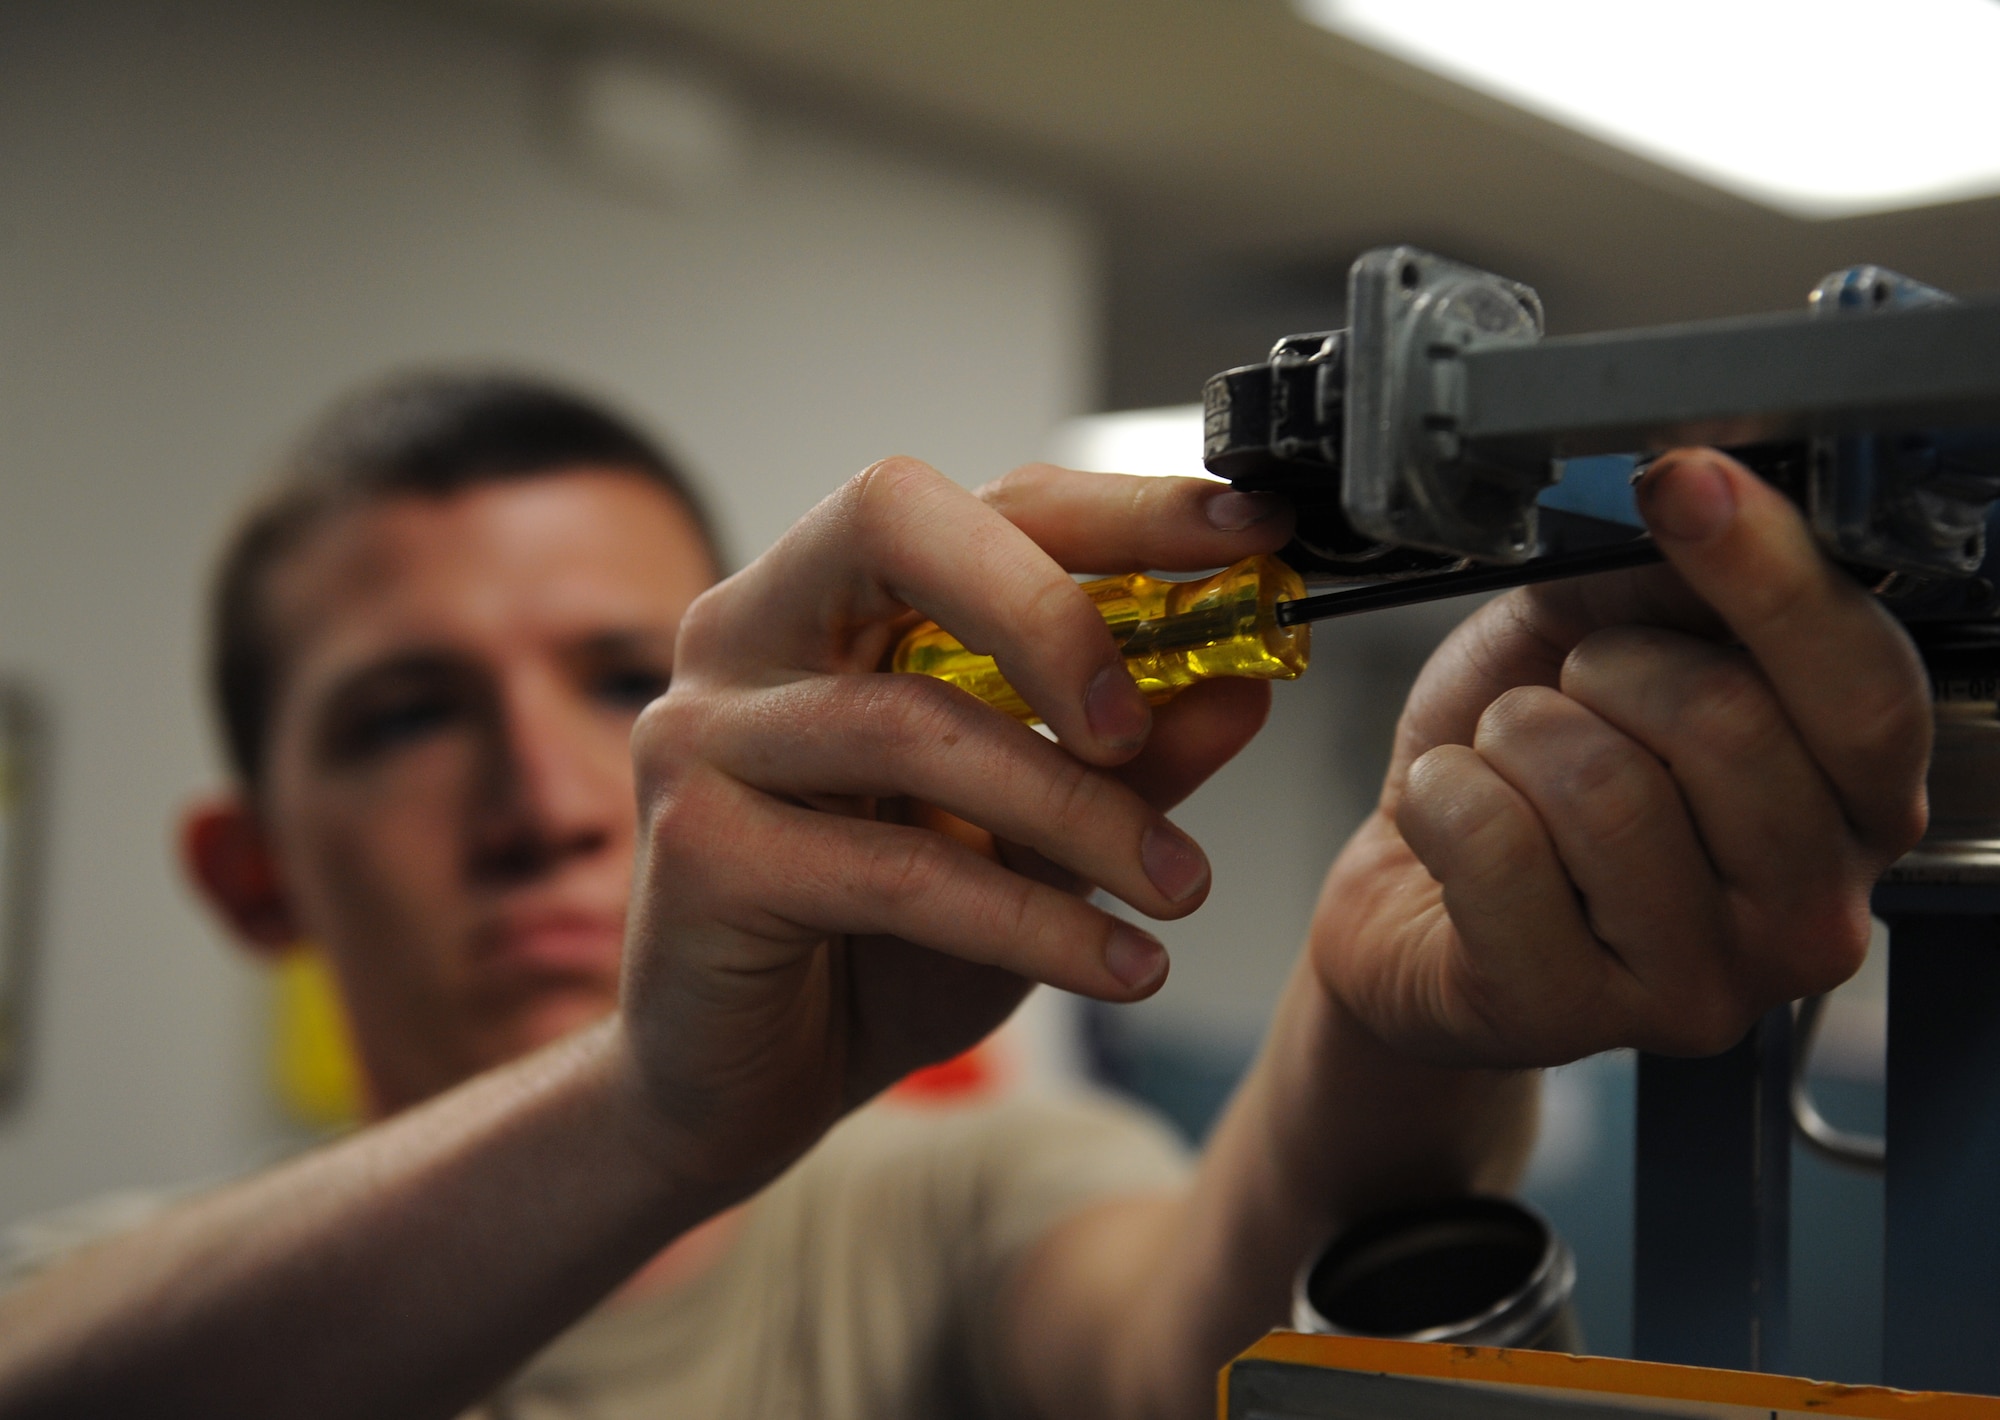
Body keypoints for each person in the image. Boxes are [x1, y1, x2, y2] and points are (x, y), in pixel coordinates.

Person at [0, 370, 1928, 1420]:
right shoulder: (93, 1296)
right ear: (247, 876)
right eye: (407, 715)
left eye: (616, 683)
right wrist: (655, 1116)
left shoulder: (947, 1212)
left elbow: (1190, 1351)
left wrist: (1367, 997)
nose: (538, 798)